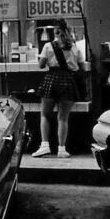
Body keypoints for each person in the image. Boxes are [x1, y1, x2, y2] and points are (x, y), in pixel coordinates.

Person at [32, 18, 86, 158]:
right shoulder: (75, 47)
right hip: (68, 81)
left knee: (45, 114)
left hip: (51, 80)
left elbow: (41, 65)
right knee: (63, 118)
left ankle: (45, 146)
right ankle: (62, 149)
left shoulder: (48, 46)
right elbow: (82, 67)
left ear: (56, 32)